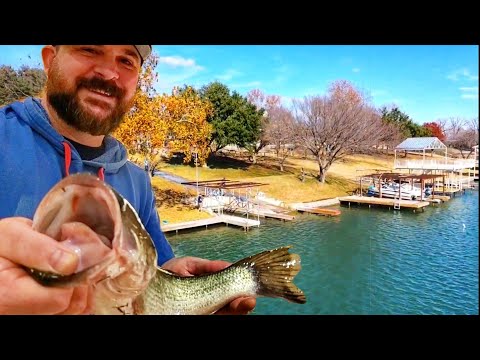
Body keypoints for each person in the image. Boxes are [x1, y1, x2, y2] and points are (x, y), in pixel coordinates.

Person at [0, 45, 256, 315]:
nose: (110, 72)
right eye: (89, 49)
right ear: (49, 59)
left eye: (126, 61)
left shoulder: (137, 180)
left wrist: (173, 282)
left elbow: (156, 268)